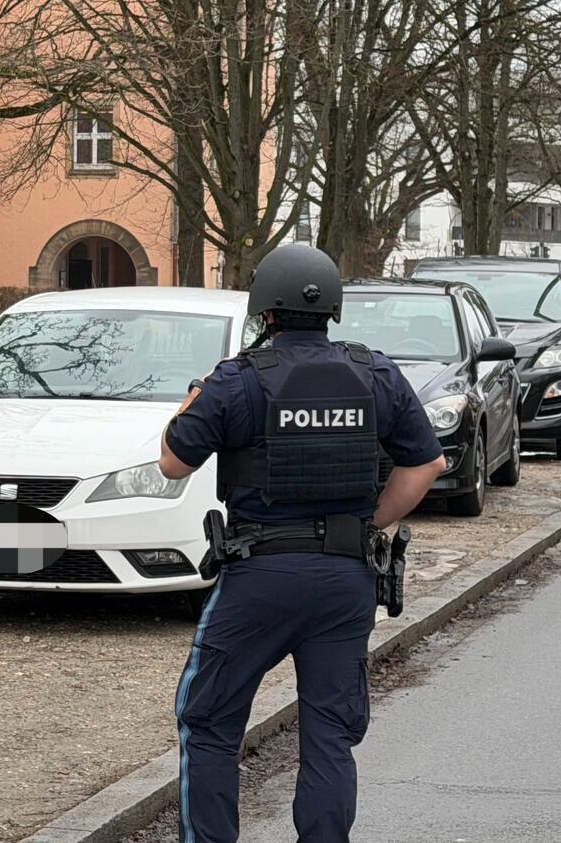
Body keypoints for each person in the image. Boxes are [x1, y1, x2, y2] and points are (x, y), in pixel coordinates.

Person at [157, 243, 447, 843]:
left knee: (208, 722)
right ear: (332, 310)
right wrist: (369, 524)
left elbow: (172, 463)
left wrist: (192, 401)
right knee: (329, 734)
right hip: (345, 581)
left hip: (259, 579)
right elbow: (428, 463)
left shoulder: (237, 379)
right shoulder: (376, 372)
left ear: (266, 313)